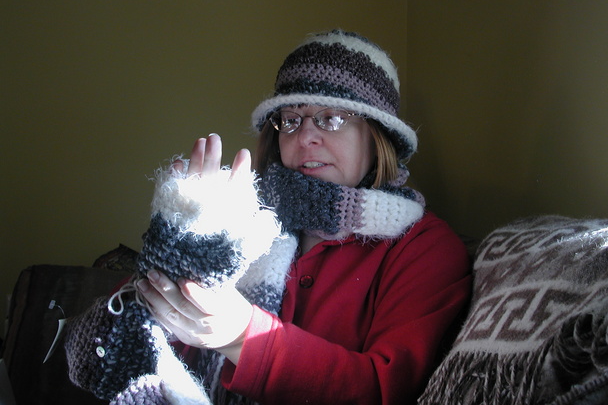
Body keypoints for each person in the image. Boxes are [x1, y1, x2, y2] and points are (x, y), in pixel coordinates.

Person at [65, 30, 471, 405]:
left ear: (378, 134)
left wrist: (241, 335)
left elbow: (383, 391)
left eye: (331, 117)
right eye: (291, 120)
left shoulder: (424, 249)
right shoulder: (235, 220)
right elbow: (105, 350)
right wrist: (170, 263)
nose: (304, 136)